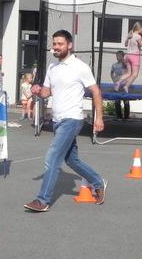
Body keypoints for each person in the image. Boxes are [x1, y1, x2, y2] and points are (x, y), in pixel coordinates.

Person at [24, 30, 106, 212]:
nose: (56, 47)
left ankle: (42, 201)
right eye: (54, 44)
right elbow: (47, 92)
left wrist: (99, 117)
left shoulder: (80, 67)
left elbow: (96, 91)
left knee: (52, 158)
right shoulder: (52, 67)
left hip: (72, 119)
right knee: (71, 160)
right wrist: (38, 90)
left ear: (69, 45)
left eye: (60, 44)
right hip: (57, 120)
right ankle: (98, 182)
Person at [119, 21, 142, 93]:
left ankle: (118, 82)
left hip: (127, 56)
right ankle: (126, 86)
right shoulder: (138, 36)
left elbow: (125, 45)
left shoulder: (130, 35)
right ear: (140, 28)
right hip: (135, 56)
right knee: (135, 74)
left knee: (128, 73)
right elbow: (141, 44)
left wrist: (128, 39)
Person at [110, 51, 130, 119]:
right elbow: (111, 73)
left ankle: (126, 116)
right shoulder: (114, 65)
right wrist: (114, 80)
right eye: (117, 56)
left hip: (124, 84)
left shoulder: (126, 65)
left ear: (122, 56)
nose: (118, 57)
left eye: (119, 56)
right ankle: (119, 116)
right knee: (117, 100)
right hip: (117, 84)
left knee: (126, 100)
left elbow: (130, 72)